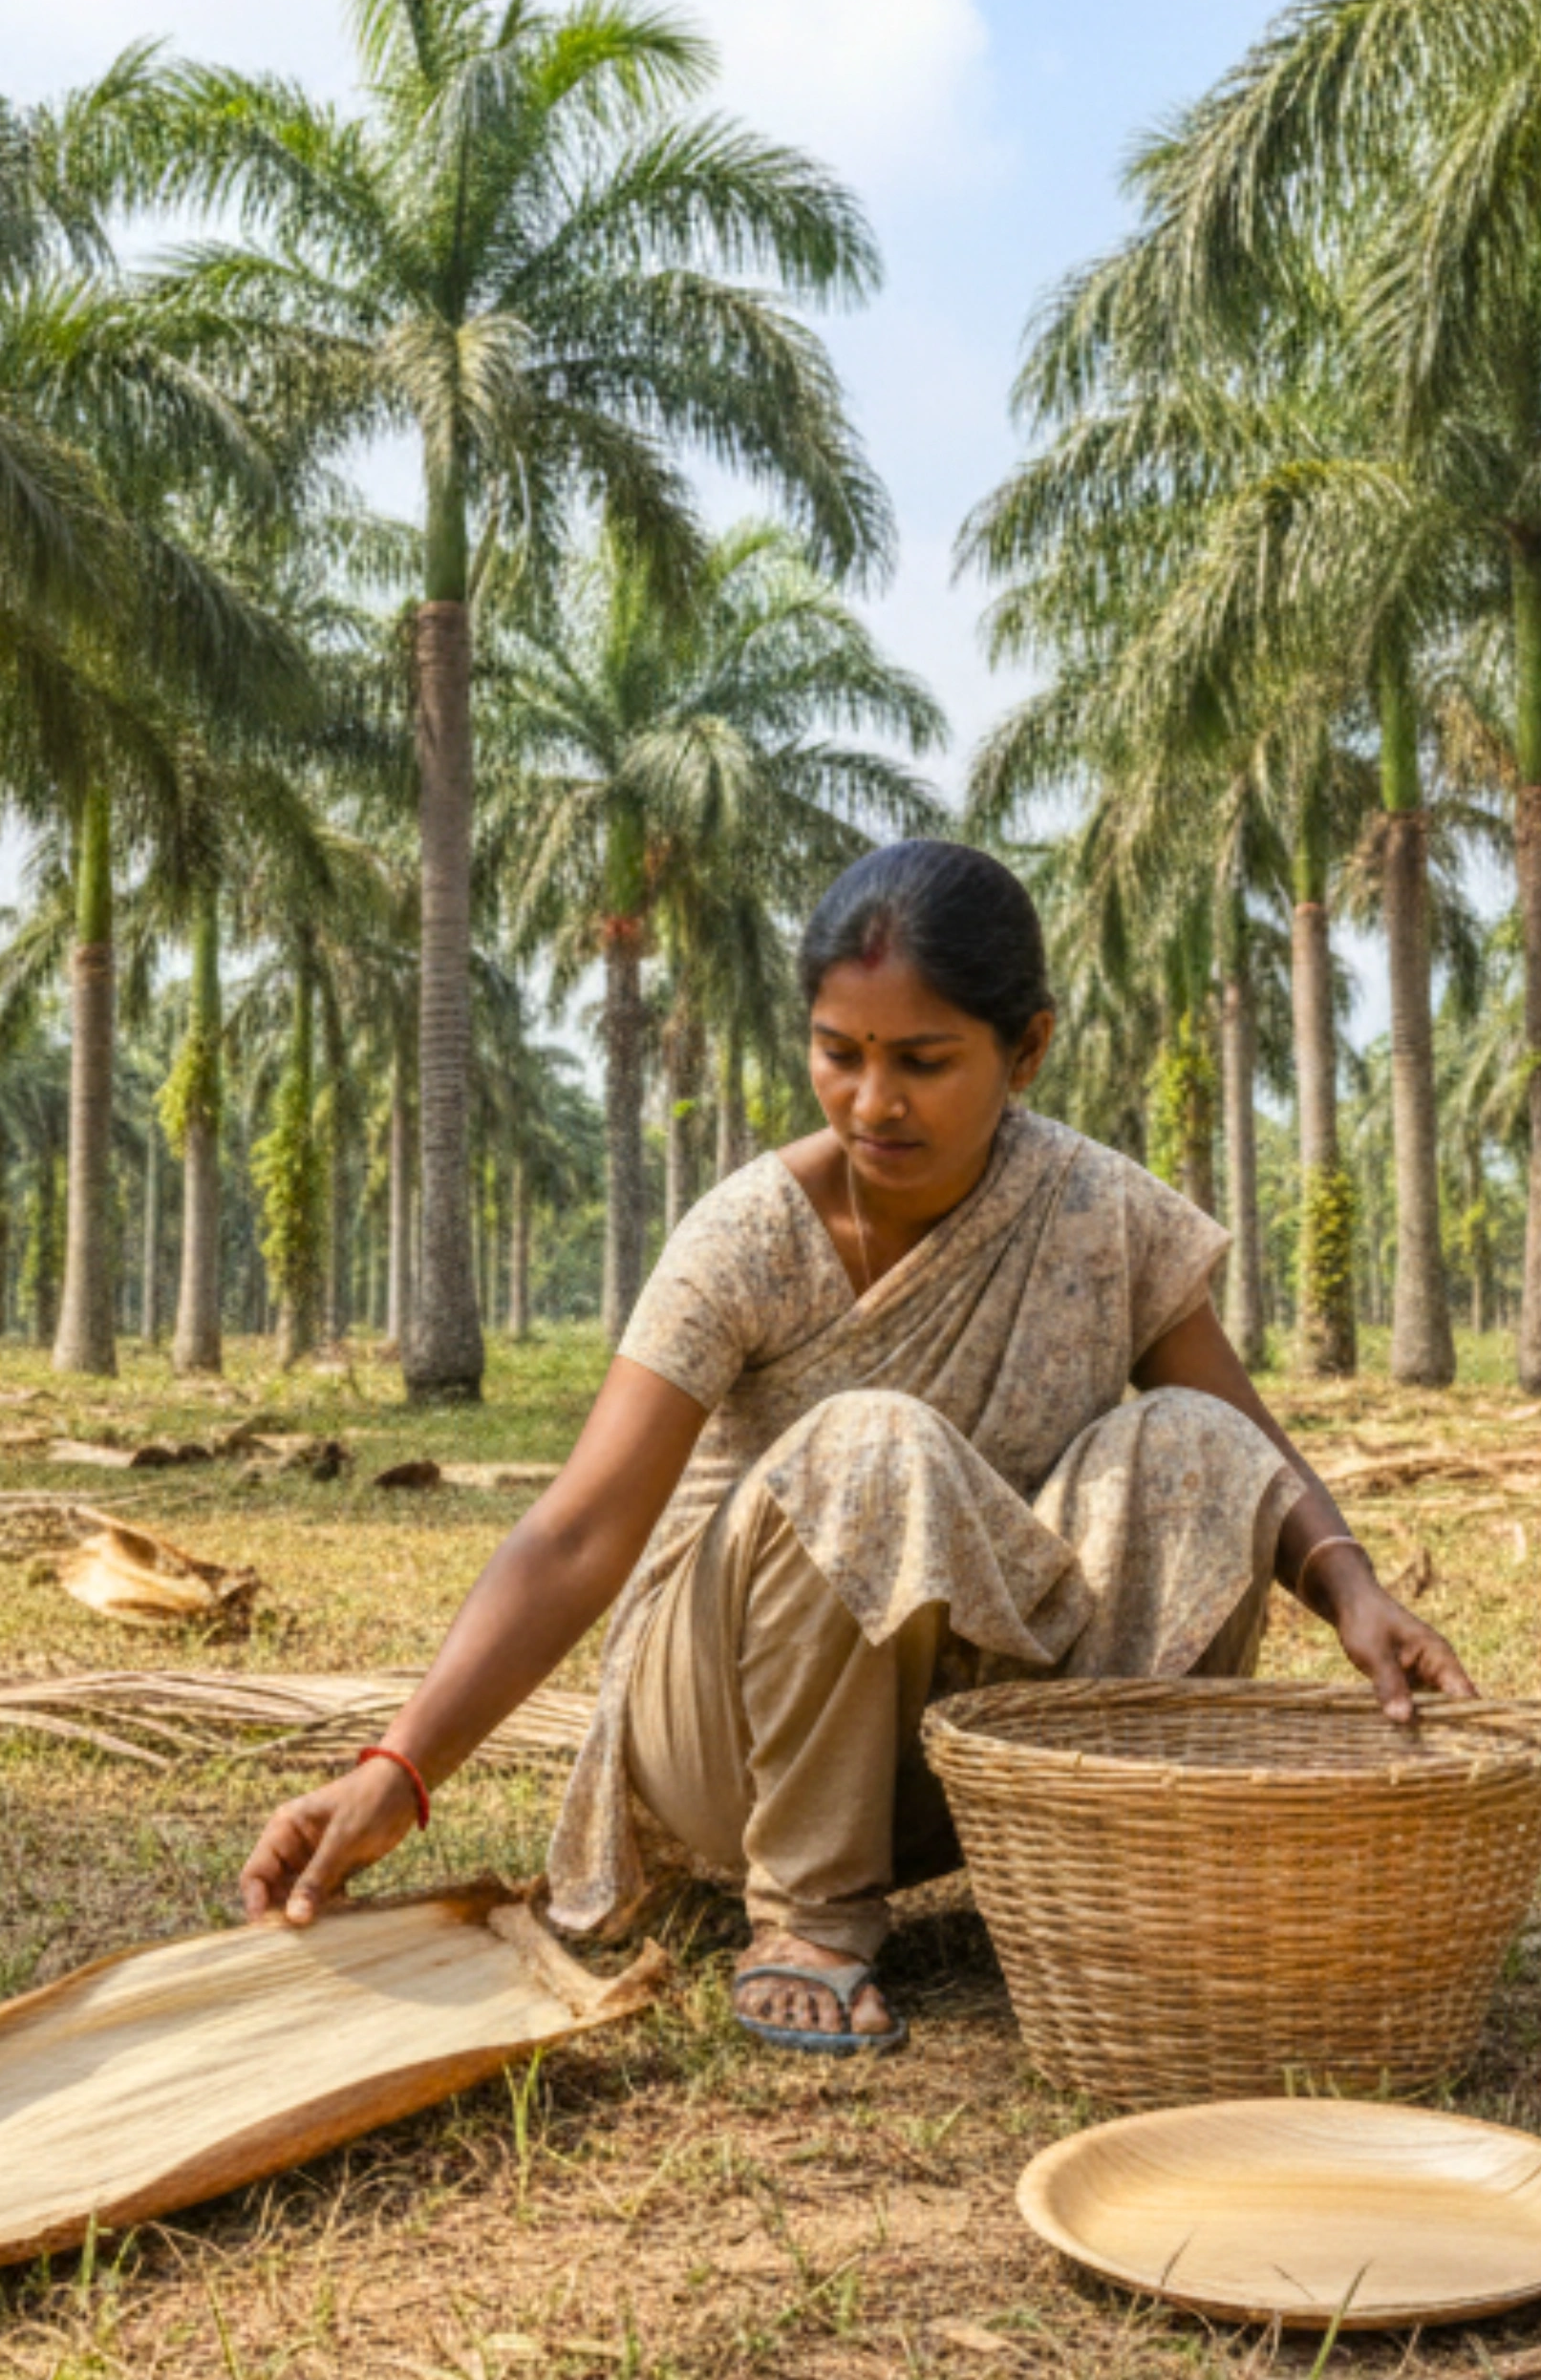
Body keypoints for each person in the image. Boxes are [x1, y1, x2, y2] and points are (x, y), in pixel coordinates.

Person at [239, 838, 1473, 2054]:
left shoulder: (1100, 1212)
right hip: (731, 1746)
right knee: (873, 1442)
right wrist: (397, 1770)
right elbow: (578, 1530)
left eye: (922, 1062)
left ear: (1027, 1048)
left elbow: (1246, 1449)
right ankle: (812, 1921)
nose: (872, 1102)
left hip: (966, 1752)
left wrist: (1352, 1586)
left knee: (1189, 1440)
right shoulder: (748, 1237)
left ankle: (1114, 1869)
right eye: (840, 1054)